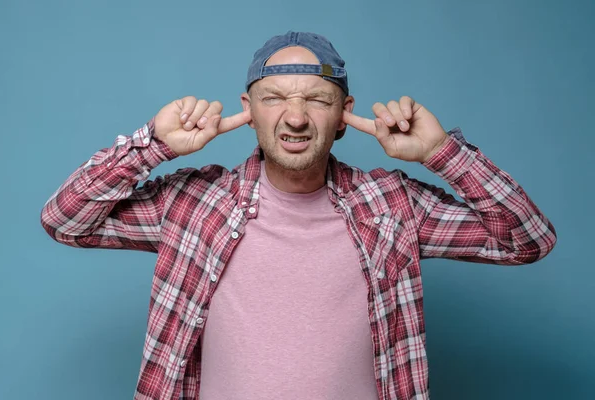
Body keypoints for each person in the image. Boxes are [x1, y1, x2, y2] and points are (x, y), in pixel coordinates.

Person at [41, 31, 557, 400]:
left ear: (343, 116)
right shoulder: (193, 204)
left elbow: (526, 241)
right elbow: (66, 220)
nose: (295, 116)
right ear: (248, 108)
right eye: (274, 98)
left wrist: (441, 151)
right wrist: (152, 147)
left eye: (316, 99)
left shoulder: (392, 206)